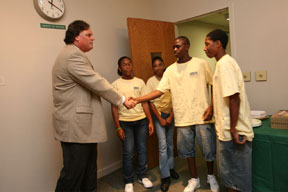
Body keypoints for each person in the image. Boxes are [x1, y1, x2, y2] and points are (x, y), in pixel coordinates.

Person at [52, 20, 134, 192]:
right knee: (73, 176)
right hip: (75, 128)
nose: (93, 38)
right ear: (76, 38)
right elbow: (97, 82)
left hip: (83, 128)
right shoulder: (72, 56)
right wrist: (123, 100)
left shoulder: (75, 55)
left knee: (89, 172)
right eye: (88, 35)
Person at [133, 36, 219, 192]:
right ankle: (194, 179)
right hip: (183, 118)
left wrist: (211, 107)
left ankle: (211, 176)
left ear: (187, 46)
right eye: (173, 47)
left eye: (178, 46)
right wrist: (138, 99)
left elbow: (214, 85)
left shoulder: (201, 64)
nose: (174, 50)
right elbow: (158, 91)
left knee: (208, 150)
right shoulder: (171, 70)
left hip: (202, 117)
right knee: (188, 152)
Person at [204, 29, 254, 192]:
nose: (204, 48)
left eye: (207, 44)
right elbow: (221, 94)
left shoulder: (225, 64)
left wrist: (233, 129)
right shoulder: (220, 64)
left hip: (233, 131)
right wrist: (211, 108)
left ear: (218, 44)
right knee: (230, 176)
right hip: (226, 130)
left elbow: (234, 98)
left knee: (237, 177)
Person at [111, 56, 154, 192]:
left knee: (142, 149)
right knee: (128, 152)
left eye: (130, 64)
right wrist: (118, 127)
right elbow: (113, 107)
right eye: (124, 65)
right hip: (125, 123)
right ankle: (128, 180)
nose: (128, 67)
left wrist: (150, 121)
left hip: (141, 121)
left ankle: (142, 176)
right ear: (120, 68)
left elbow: (145, 102)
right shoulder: (115, 85)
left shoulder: (140, 82)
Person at [145, 56, 179, 192]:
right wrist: (159, 119)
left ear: (164, 65)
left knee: (171, 144)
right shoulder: (150, 82)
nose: (158, 67)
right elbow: (151, 102)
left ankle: (171, 169)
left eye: (160, 65)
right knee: (163, 145)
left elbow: (176, 98)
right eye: (155, 65)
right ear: (153, 68)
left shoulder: (169, 78)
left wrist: (171, 116)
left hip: (170, 114)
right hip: (159, 116)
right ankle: (165, 177)